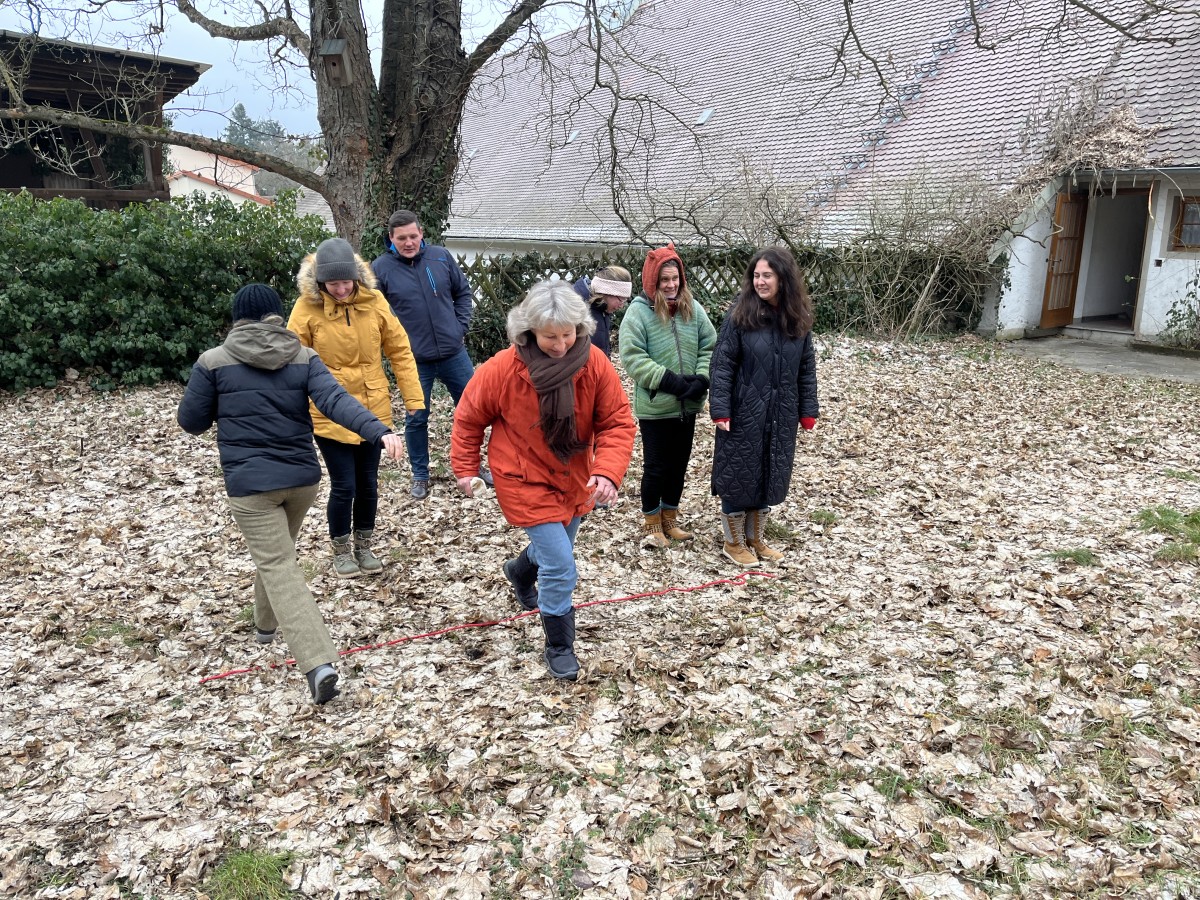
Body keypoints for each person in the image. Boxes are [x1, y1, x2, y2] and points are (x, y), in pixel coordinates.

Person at [178, 284, 407, 705]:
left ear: (237, 320)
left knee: (278, 563)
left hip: (251, 487)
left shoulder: (212, 362)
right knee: (278, 556)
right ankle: (265, 628)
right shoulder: (302, 356)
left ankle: (318, 662)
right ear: (276, 317)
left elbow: (191, 421)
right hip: (301, 481)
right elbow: (337, 401)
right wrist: (379, 430)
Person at [450, 280, 635, 681]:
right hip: (523, 476)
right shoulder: (502, 368)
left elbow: (617, 422)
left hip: (575, 477)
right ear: (529, 330)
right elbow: (468, 418)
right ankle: (559, 646)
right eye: (550, 336)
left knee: (555, 551)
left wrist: (607, 471)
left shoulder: (595, 363)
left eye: (568, 334)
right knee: (561, 566)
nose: (561, 344)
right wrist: (465, 468)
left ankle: (520, 570)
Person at [287, 238, 425, 579]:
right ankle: (341, 550)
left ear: (356, 277)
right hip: (328, 412)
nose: (341, 289)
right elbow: (290, 361)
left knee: (368, 484)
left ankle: (364, 545)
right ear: (320, 283)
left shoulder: (374, 301)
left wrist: (414, 400)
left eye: (346, 282)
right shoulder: (305, 309)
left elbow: (400, 350)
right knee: (343, 485)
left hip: (374, 409)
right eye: (333, 284)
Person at [709, 247, 819, 565]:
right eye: (756, 275)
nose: (760, 281)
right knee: (738, 475)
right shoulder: (739, 316)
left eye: (766, 275)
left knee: (769, 472)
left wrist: (808, 409)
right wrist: (721, 408)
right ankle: (733, 543)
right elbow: (722, 365)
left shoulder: (797, 320)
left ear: (783, 279)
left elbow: (806, 368)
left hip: (781, 412)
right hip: (743, 412)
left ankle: (756, 538)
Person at [371, 210, 490, 499]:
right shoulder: (380, 269)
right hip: (413, 360)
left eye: (413, 236)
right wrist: (393, 345)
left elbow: (463, 293)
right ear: (391, 239)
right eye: (402, 238)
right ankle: (420, 476)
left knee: (474, 412)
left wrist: (459, 327)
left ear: (421, 233)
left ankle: (473, 468)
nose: (409, 242)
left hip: (454, 353)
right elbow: (376, 314)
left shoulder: (440, 257)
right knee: (416, 419)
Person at [618, 243, 717, 548]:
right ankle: (651, 523)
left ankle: (670, 518)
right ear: (653, 281)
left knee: (679, 466)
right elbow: (633, 357)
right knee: (656, 467)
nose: (671, 285)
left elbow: (709, 346)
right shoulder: (638, 313)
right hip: (656, 407)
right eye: (664, 280)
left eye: (675, 279)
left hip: (687, 406)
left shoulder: (693, 308)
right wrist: (669, 381)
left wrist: (702, 378)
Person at [571, 265, 634, 357]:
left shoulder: (602, 309)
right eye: (621, 299)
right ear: (607, 292)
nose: (622, 305)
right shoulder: (577, 309)